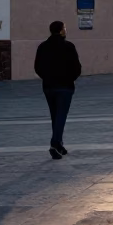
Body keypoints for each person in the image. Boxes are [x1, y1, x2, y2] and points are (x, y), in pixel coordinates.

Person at [34, 20, 81, 159]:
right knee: (61, 115)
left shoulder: (42, 47)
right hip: (65, 86)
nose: (66, 30)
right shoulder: (68, 46)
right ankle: (54, 144)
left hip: (49, 86)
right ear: (61, 30)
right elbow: (76, 67)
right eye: (64, 28)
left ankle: (59, 143)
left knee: (55, 115)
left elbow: (37, 67)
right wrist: (71, 78)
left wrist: (46, 77)